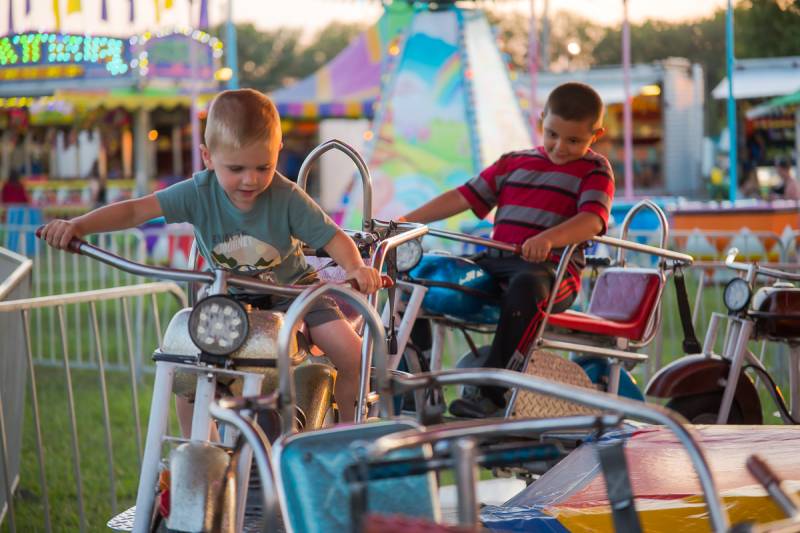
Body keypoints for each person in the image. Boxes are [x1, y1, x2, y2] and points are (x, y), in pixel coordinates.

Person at [39, 88, 382, 425]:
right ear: (207, 157)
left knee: (352, 354)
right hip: (226, 297)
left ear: (277, 151)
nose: (251, 180)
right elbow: (134, 211)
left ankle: (347, 434)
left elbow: (334, 238)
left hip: (293, 292)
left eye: (263, 167)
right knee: (190, 371)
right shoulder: (198, 193)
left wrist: (355, 266)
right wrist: (79, 225)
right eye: (235, 168)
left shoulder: (287, 196)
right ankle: (197, 455)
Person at [402, 82, 614, 418]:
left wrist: (549, 239)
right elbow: (462, 196)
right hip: (495, 262)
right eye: (552, 134)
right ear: (541, 120)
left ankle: (494, 392)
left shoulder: (594, 170)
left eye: (574, 140)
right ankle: (413, 384)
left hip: (553, 271)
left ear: (596, 134)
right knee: (417, 276)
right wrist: (404, 222)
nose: (560, 147)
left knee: (529, 286)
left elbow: (592, 219)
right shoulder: (513, 163)